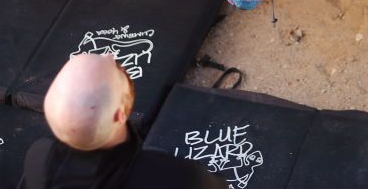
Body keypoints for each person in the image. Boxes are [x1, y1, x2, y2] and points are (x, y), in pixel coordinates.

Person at [22, 53, 226, 189]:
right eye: (116, 70)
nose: (110, 56)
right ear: (120, 115)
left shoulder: (38, 157)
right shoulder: (173, 176)